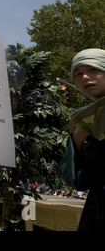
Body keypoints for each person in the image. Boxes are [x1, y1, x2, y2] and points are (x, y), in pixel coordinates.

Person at [60, 48, 105, 231]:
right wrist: (77, 139)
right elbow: (78, 181)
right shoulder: (80, 120)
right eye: (78, 74)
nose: (85, 77)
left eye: (93, 69)